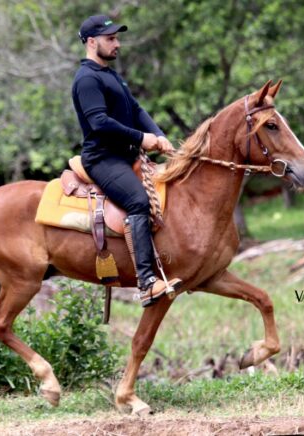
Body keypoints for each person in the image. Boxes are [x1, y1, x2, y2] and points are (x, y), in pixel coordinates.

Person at [71, 14, 182, 307]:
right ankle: (147, 282)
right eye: (111, 39)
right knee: (138, 202)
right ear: (92, 42)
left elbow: (136, 108)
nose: (117, 44)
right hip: (103, 159)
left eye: (117, 38)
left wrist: (159, 136)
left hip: (126, 154)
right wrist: (140, 138)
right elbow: (99, 122)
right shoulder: (87, 79)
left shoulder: (110, 75)